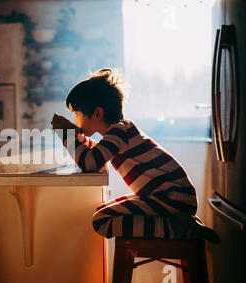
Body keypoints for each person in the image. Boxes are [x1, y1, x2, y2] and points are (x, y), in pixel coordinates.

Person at [51, 68, 220, 243]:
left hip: (171, 199)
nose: (75, 119)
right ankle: (177, 224)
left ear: (97, 114)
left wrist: (67, 135)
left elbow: (91, 163)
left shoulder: (118, 133)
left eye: (77, 114)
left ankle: (179, 228)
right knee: (103, 210)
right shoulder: (120, 132)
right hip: (170, 196)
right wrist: (75, 136)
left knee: (101, 220)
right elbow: (96, 154)